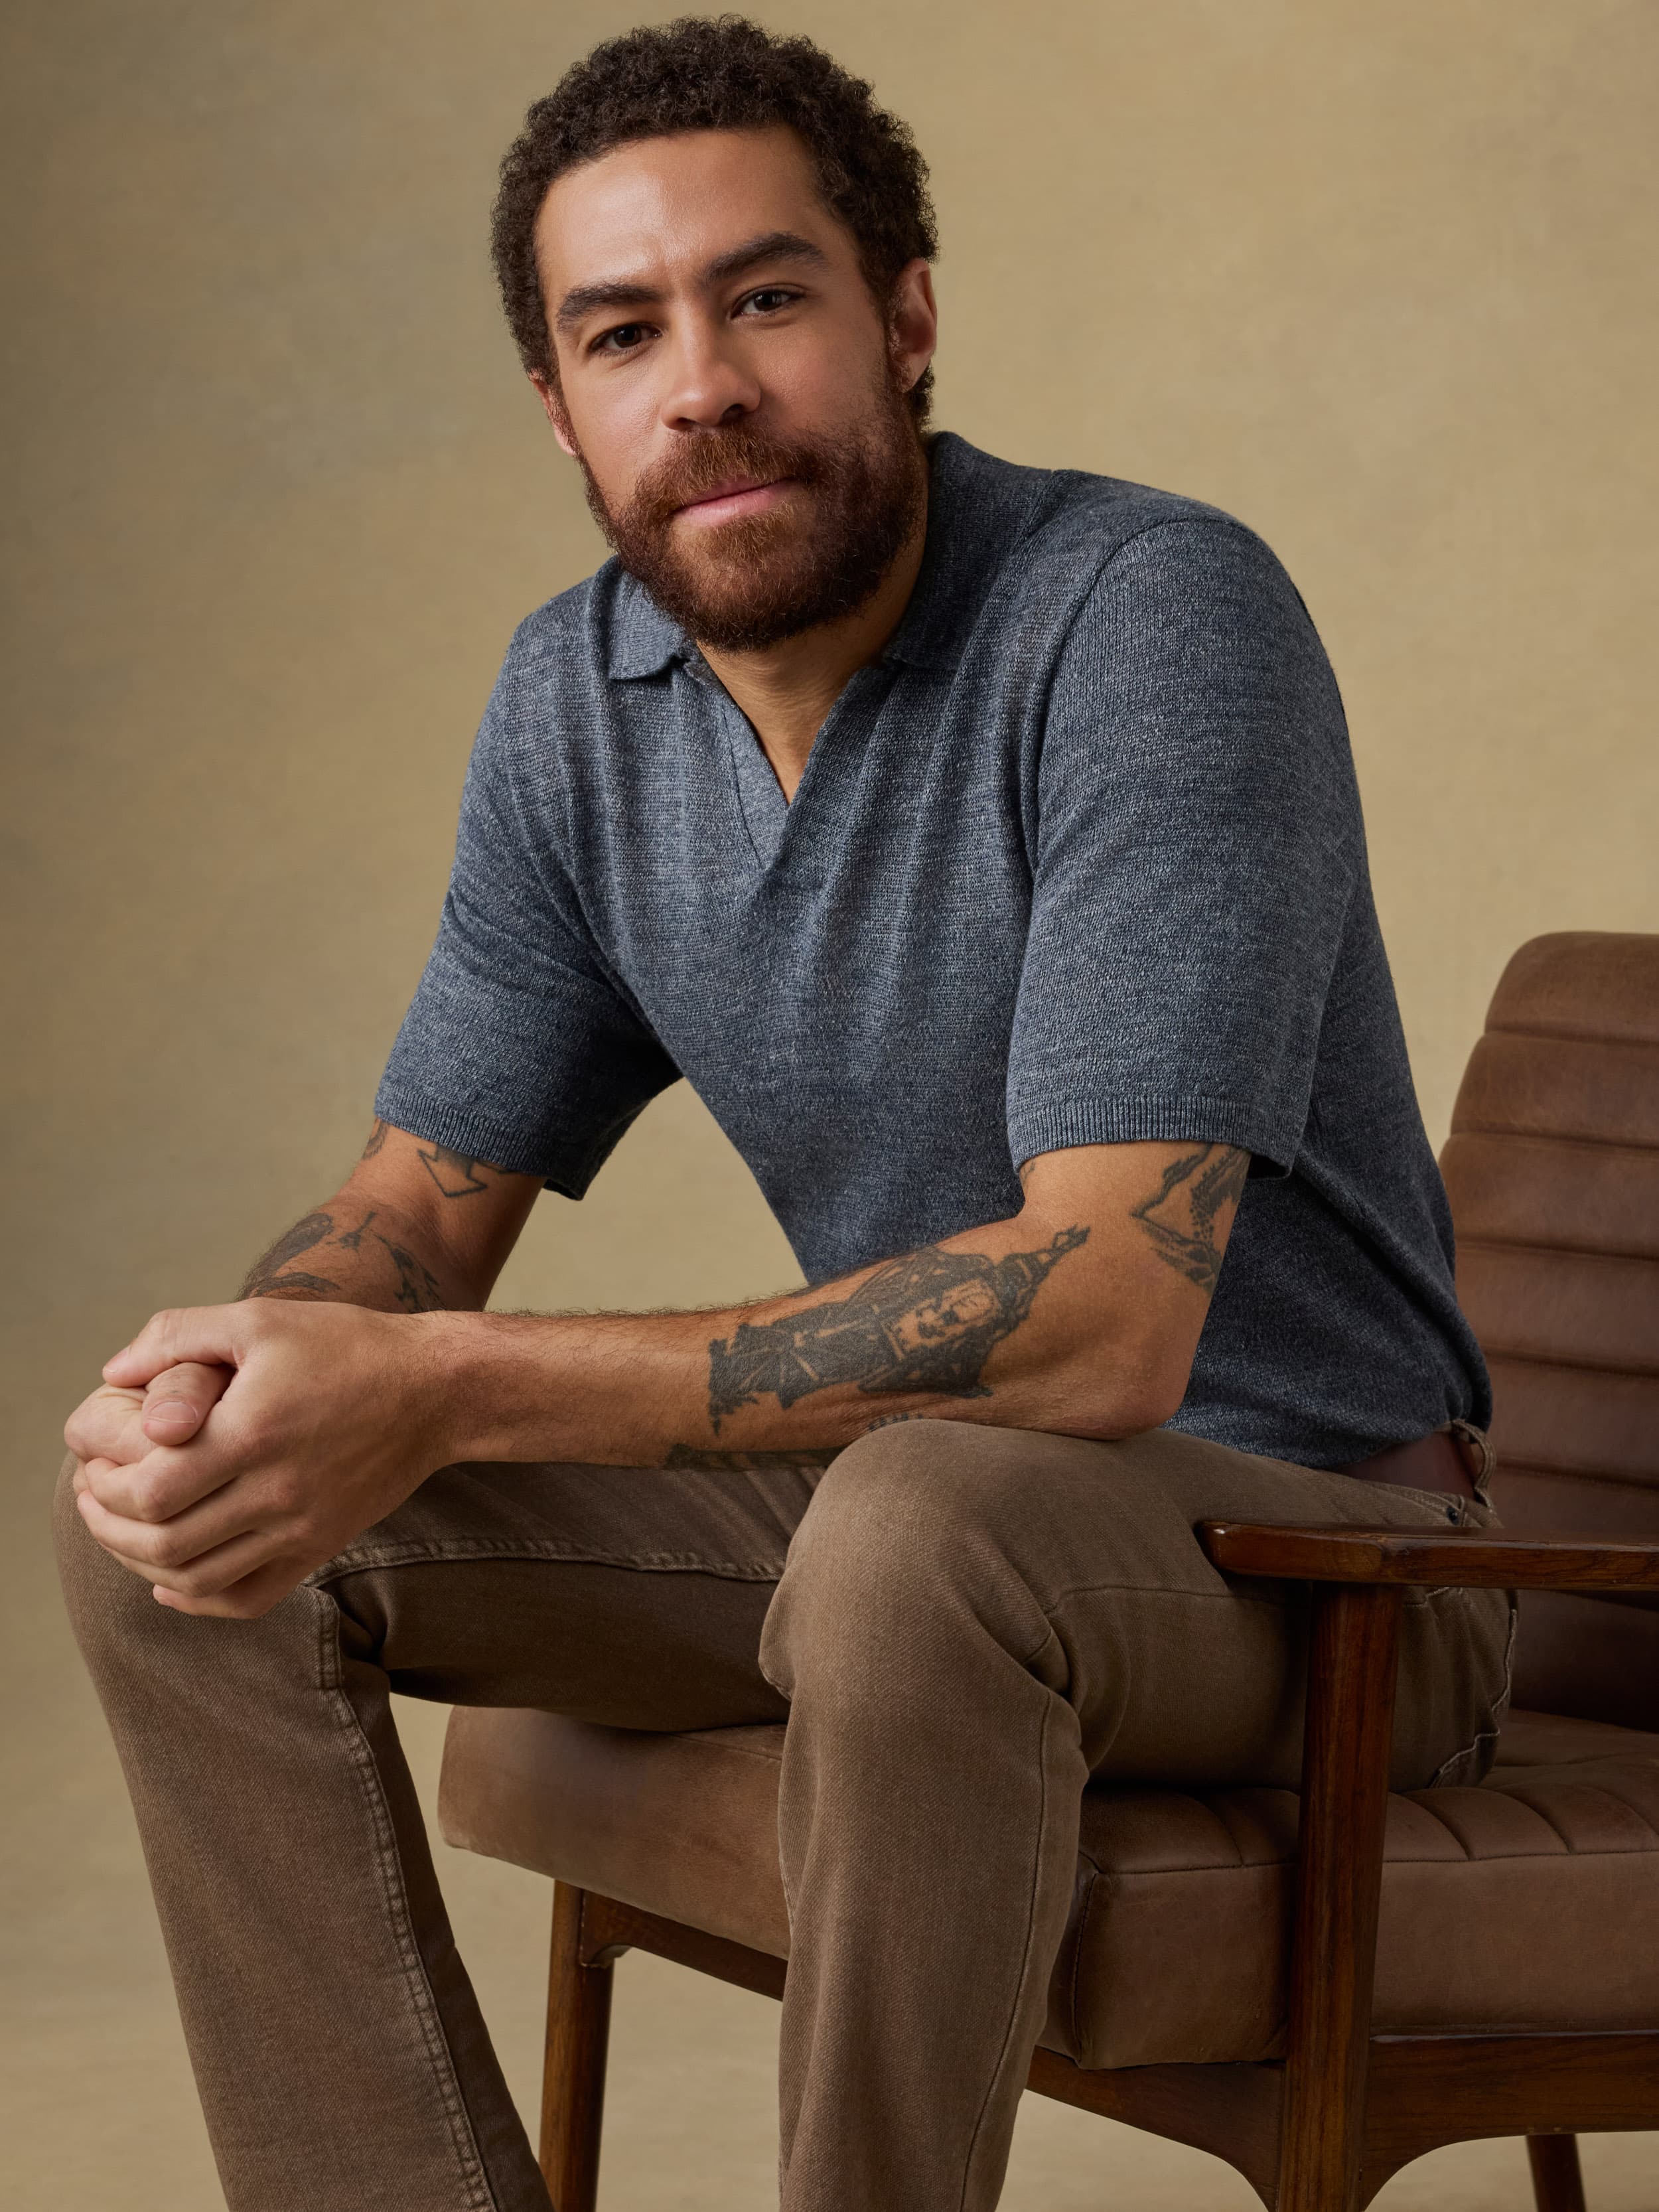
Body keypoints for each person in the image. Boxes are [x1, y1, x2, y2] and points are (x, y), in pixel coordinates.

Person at [56, 18, 1510, 2212]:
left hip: (1319, 1570)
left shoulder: (1143, 617)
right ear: (559, 407)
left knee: (918, 1521)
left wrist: (443, 1381)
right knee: (199, 1531)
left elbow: (1107, 1324)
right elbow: (409, 1215)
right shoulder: (579, 706)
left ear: (901, 315)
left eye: (764, 297)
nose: (701, 384)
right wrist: (261, 1377)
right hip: (888, 1522)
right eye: (622, 332)